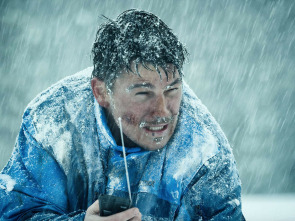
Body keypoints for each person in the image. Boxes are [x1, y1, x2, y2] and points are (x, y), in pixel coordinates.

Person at [0, 9, 244, 220]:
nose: (162, 111)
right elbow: (16, 213)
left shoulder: (204, 150)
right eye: (142, 93)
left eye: (172, 90)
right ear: (101, 91)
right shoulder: (53, 124)